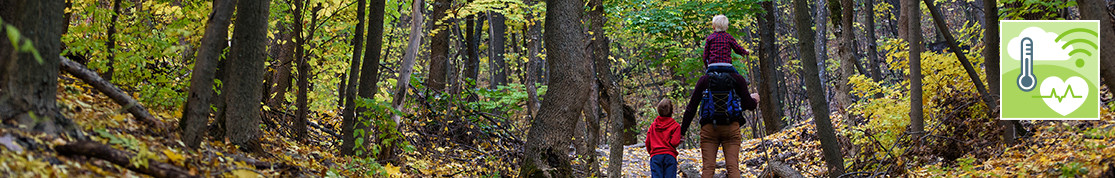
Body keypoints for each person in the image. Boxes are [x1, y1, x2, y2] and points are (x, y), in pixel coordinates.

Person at [677, 14, 761, 178]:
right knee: (733, 168)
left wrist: (682, 132)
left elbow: (691, 107)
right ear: (727, 27)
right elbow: (749, 105)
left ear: (713, 27)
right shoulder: (737, 78)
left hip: (709, 129)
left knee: (708, 169)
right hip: (731, 127)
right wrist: (754, 99)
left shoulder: (704, 80)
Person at [646, 99, 681, 178]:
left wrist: (651, 152)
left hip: (656, 156)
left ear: (658, 111)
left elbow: (647, 142)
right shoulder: (675, 126)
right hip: (670, 156)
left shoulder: (653, 126)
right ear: (672, 112)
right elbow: (674, 142)